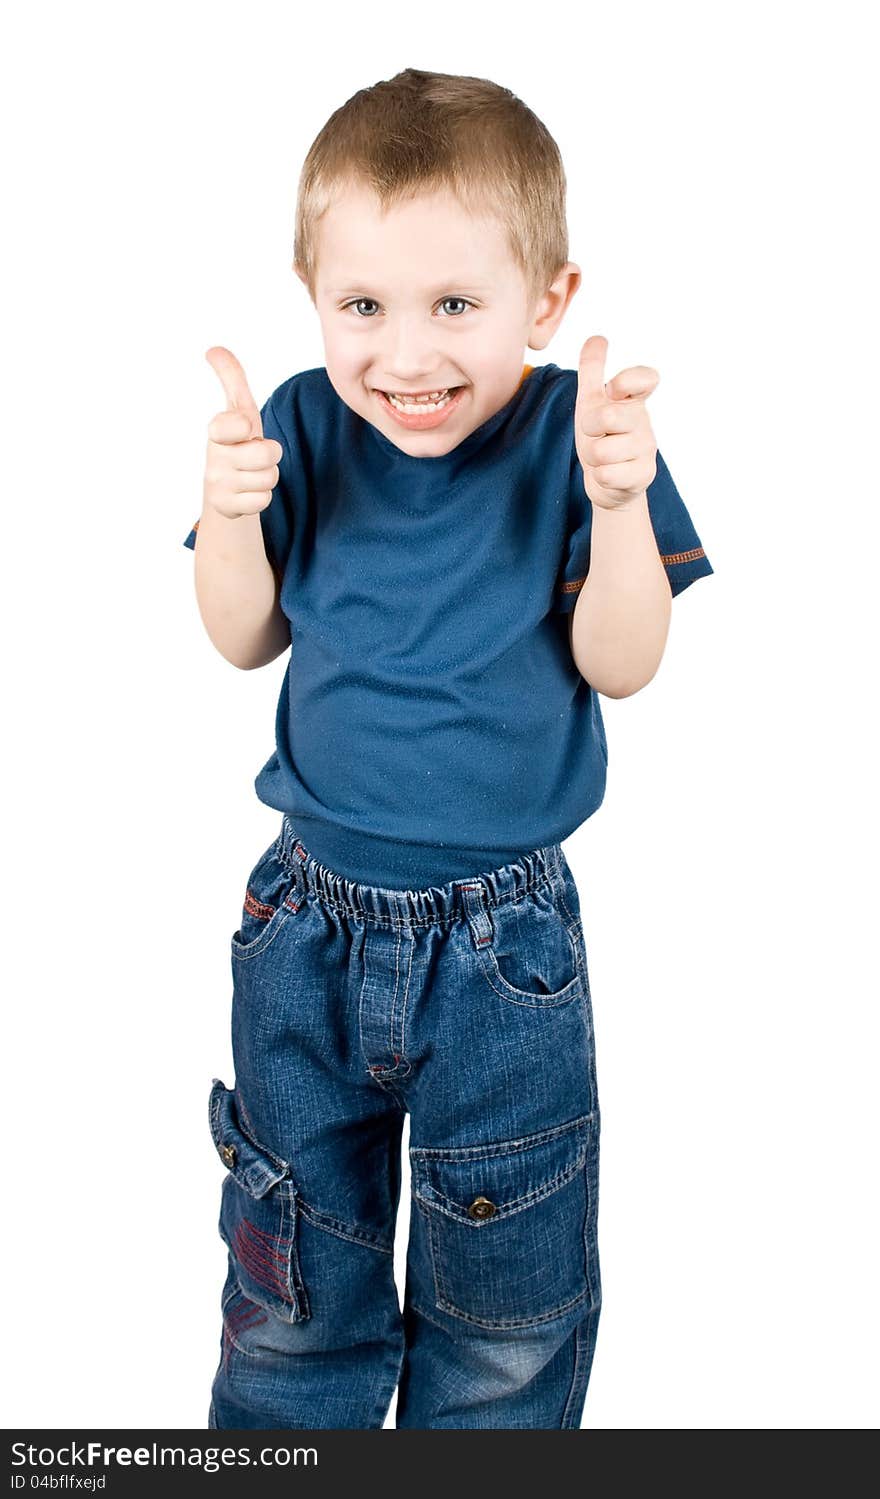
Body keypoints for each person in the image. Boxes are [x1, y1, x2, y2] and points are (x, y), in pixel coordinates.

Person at [183, 67, 713, 1430]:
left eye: (456, 307)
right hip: (304, 924)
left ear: (547, 302)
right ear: (314, 297)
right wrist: (231, 513)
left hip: (503, 952)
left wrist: (621, 504)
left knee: (505, 1319)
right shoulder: (302, 424)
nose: (405, 356)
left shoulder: (573, 445)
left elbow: (622, 664)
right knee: (297, 1282)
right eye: (363, 306)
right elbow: (243, 640)